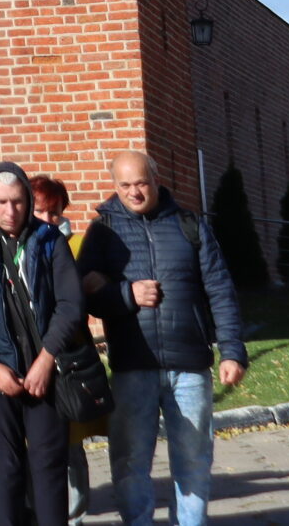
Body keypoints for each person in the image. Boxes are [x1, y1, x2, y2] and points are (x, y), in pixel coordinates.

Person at [79, 151, 246, 526]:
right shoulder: (103, 231)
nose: (134, 192)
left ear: (156, 179)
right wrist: (126, 295)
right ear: (115, 186)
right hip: (131, 366)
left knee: (193, 459)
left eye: (141, 183)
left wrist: (233, 351)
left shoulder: (190, 225)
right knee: (129, 461)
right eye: (125, 185)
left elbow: (220, 289)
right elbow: (83, 294)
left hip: (189, 367)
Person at [0, 166, 82, 526]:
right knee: (5, 471)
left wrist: (46, 359)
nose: (10, 211)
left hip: (47, 374)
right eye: (1, 203)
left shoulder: (50, 239)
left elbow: (70, 306)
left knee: (49, 466)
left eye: (18, 201)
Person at [28, 176, 96, 526]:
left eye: (55, 212)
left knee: (70, 445)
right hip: (29, 357)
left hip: (68, 361)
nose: (49, 218)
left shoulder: (78, 244)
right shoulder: (19, 245)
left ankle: (74, 513)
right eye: (41, 210)